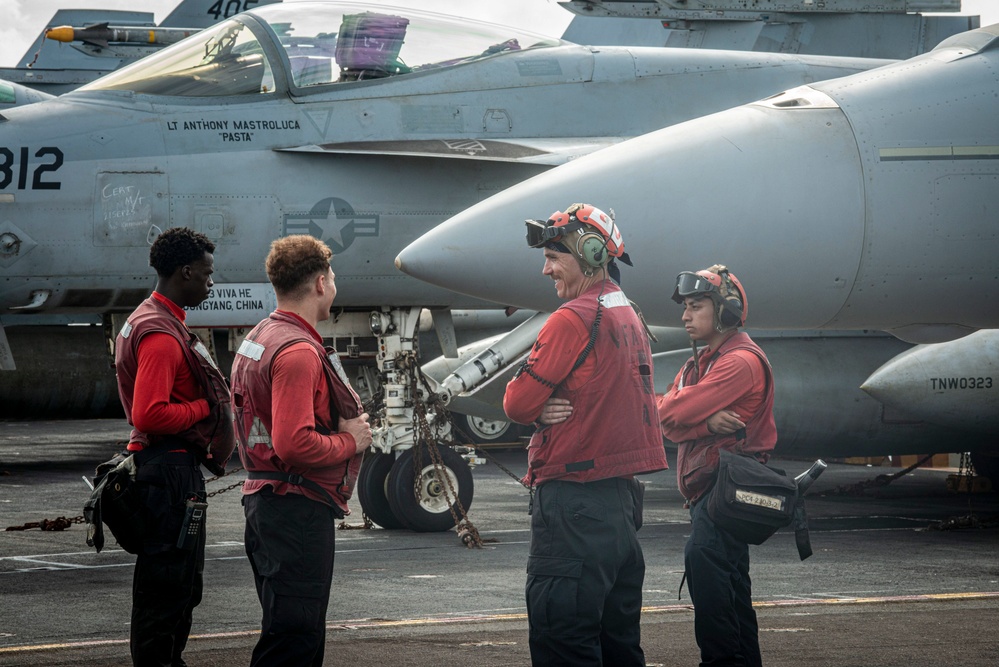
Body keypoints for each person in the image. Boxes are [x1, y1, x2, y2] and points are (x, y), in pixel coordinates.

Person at [504, 203, 669, 666]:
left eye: (555, 255)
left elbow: (516, 404)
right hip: (619, 505)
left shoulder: (572, 318)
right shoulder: (627, 312)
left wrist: (539, 410)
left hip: (574, 504)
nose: (546, 268)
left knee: (564, 641)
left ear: (590, 253)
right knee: (618, 644)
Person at [230, 235, 372, 667]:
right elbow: (294, 444)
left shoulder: (261, 337)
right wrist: (353, 441)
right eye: (333, 277)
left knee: (286, 630)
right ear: (319, 283)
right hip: (296, 512)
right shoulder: (298, 351)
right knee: (294, 641)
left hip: (267, 504)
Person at [113, 226, 235, 667]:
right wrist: (204, 407)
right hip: (169, 475)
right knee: (169, 587)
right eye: (206, 274)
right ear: (185, 272)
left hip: (165, 471)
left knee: (175, 584)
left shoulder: (147, 317)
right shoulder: (161, 335)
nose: (210, 283)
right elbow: (148, 415)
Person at [656, 264, 777, 667]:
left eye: (696, 306)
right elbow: (662, 416)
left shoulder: (738, 363)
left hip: (722, 497)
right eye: (685, 307)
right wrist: (705, 423)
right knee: (732, 597)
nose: (685, 316)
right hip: (711, 496)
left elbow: (671, 412)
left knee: (716, 603)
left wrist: (683, 414)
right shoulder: (700, 364)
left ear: (725, 311)